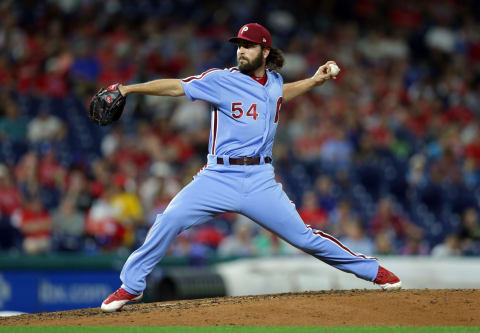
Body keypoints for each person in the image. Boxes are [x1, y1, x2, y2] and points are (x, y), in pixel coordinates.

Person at [100, 23, 401, 312]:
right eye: (239, 45)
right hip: (218, 176)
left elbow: (280, 96)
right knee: (169, 220)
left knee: (305, 238)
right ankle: (132, 285)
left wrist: (313, 80)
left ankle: (374, 271)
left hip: (260, 180)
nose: (241, 51)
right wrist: (129, 89)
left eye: (248, 46)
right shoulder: (221, 80)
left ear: (265, 51)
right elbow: (175, 88)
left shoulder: (274, 83)